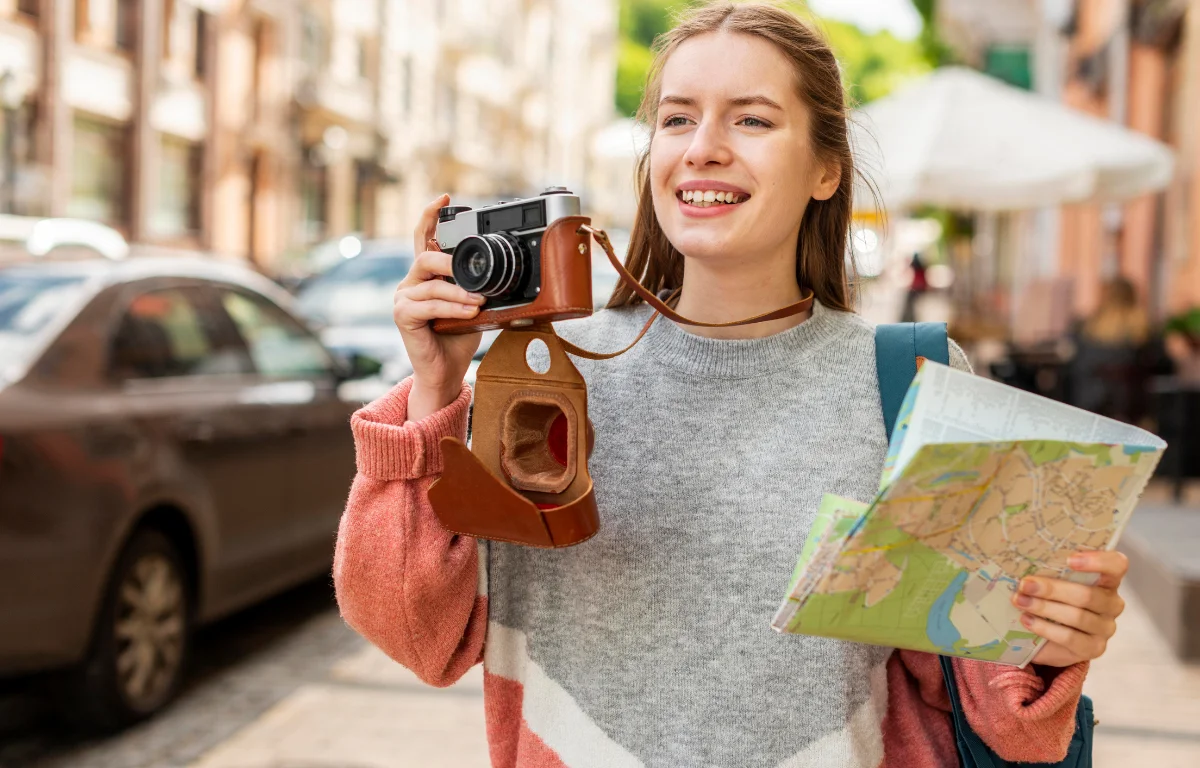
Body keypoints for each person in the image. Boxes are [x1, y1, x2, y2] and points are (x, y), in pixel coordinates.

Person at [334, 4, 1129, 766]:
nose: (702, 148)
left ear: (826, 168)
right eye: (677, 119)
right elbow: (419, 637)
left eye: (751, 119)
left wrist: (1048, 645)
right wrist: (433, 392)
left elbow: (1005, 721)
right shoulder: (540, 368)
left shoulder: (915, 382)